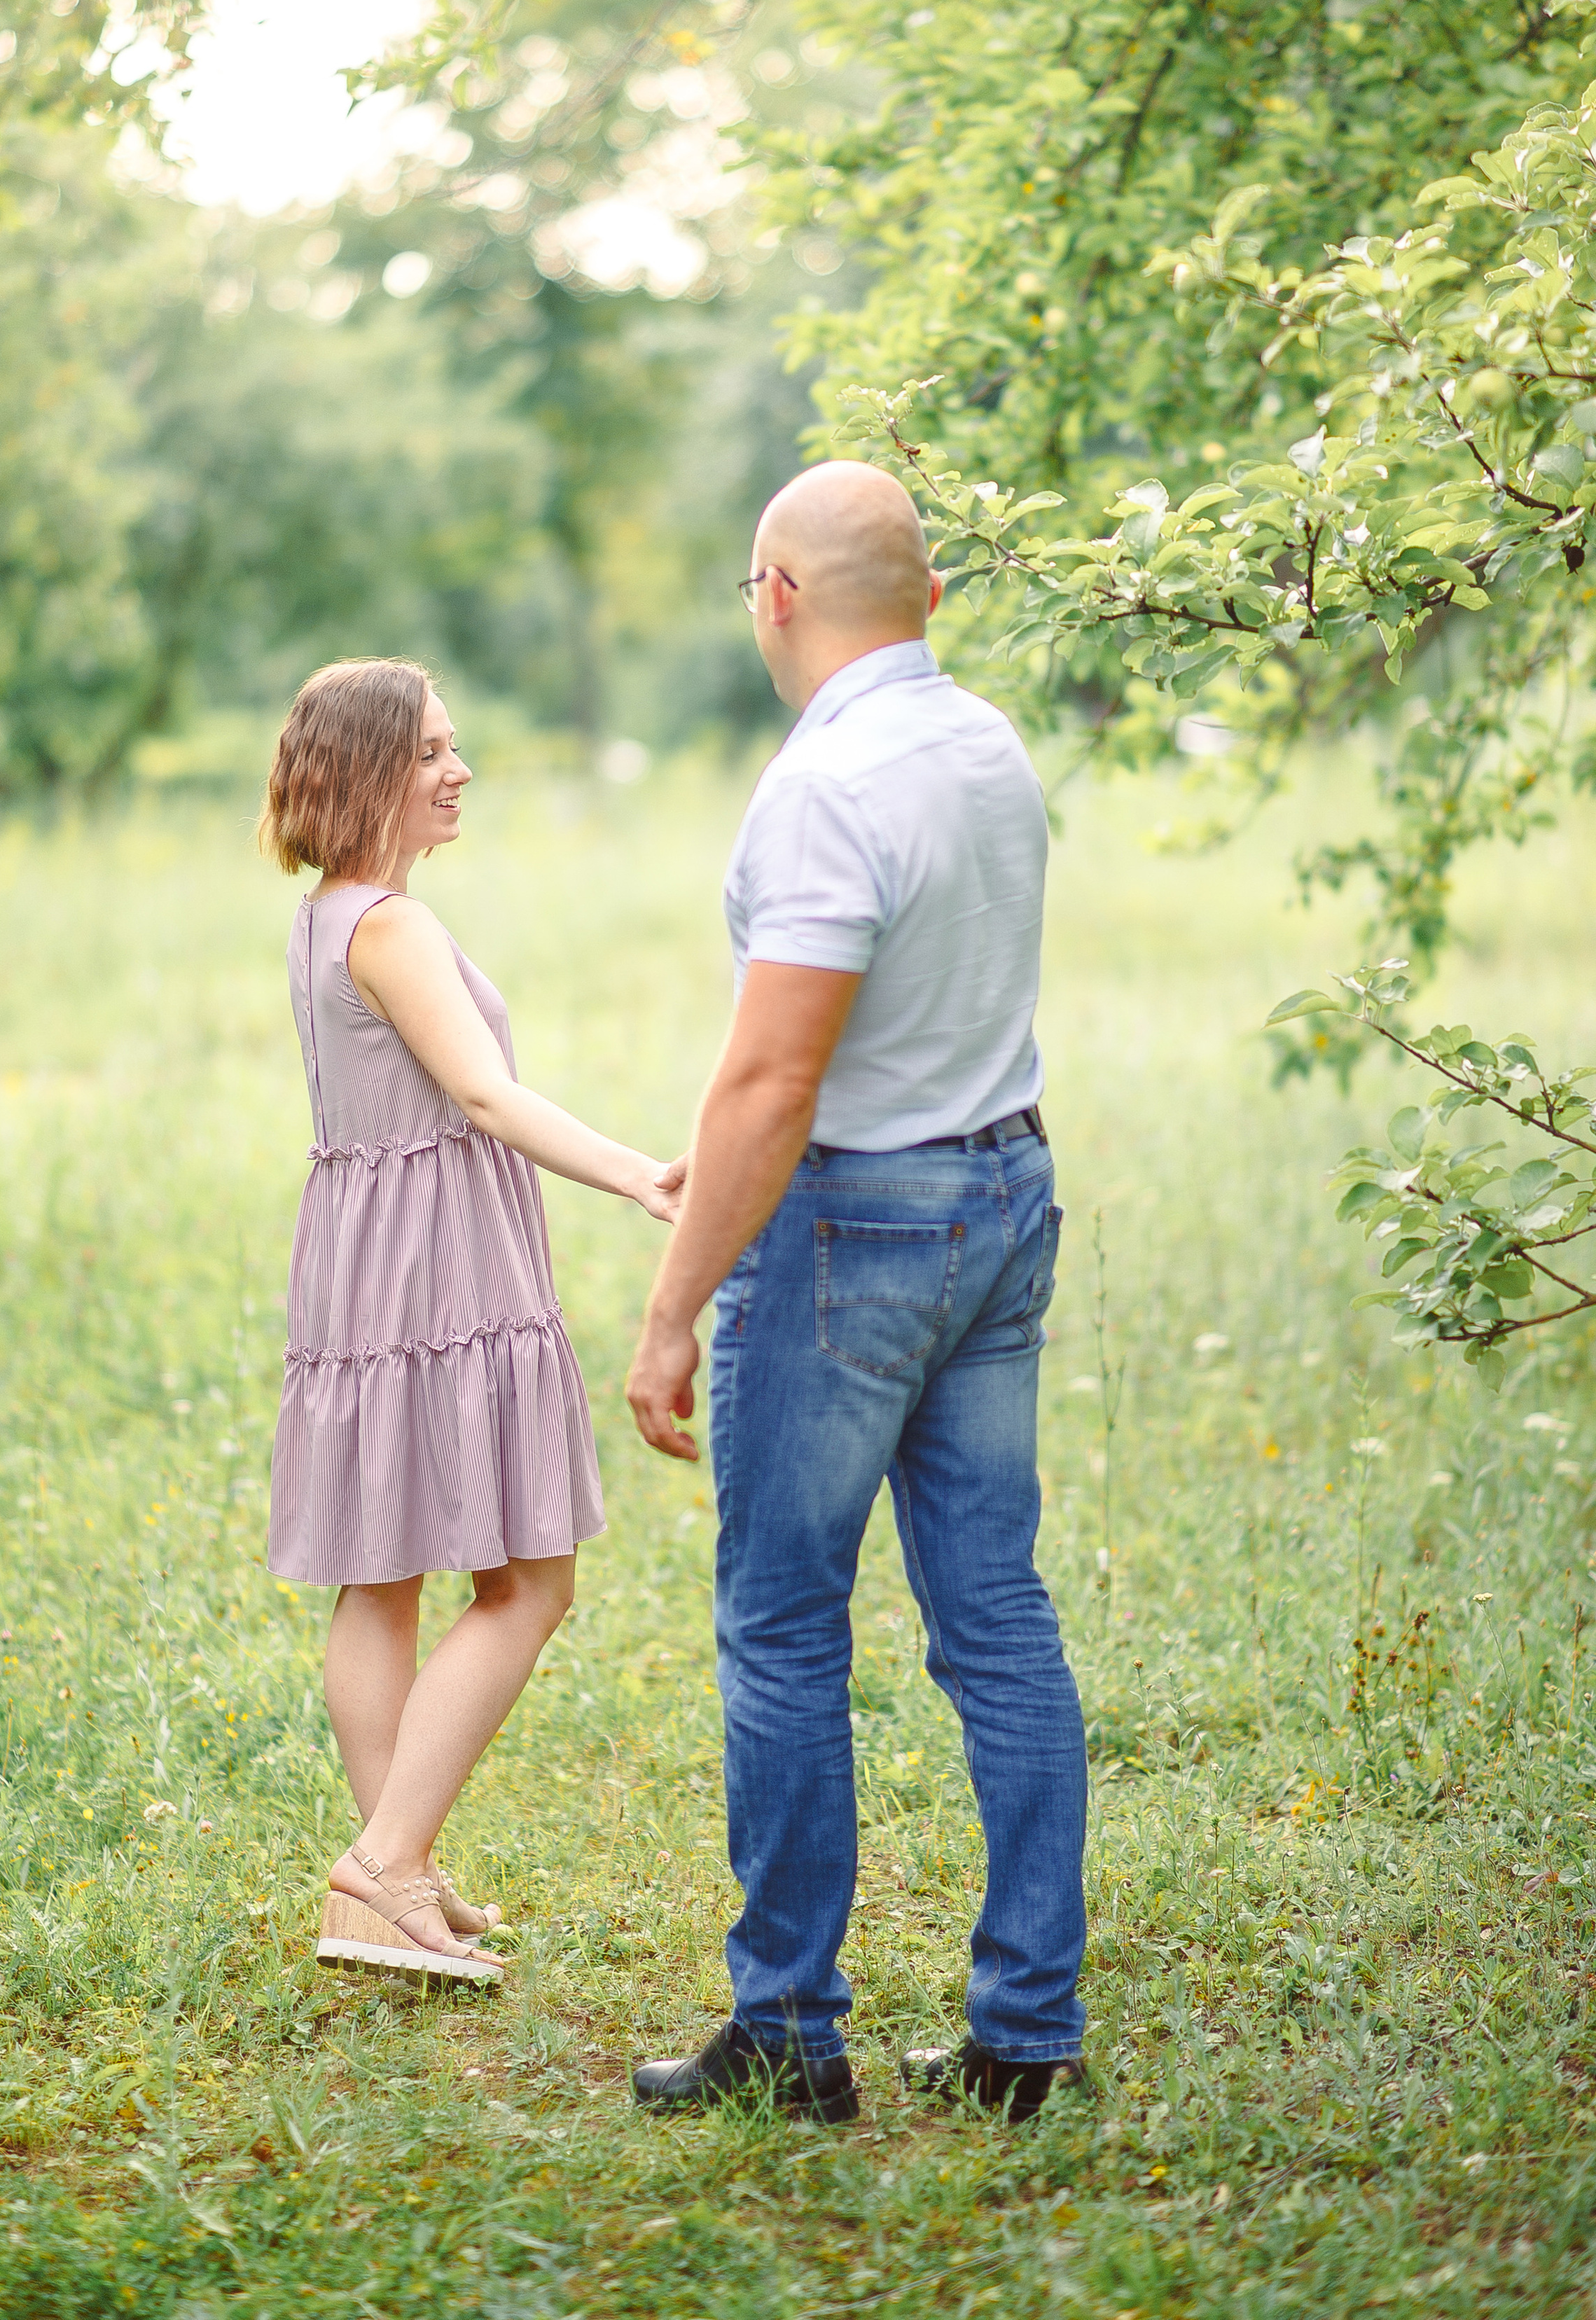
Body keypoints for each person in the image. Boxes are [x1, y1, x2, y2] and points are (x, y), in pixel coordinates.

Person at [625, 461, 1088, 2123]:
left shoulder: (823, 787)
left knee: (779, 1624)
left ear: (773, 593)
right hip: (1003, 1189)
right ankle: (1026, 2035)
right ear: (933, 600)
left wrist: (673, 1308)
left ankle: (789, 2038)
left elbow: (770, 1082)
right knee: (996, 1621)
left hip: (853, 1230)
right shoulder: (985, 744)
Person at [259, 658, 679, 1983]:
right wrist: (644, 1176)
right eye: (435, 749)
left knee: (381, 1578)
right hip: (438, 1272)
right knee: (530, 1580)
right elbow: (487, 1098)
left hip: (366, 1263)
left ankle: (398, 1875)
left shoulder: (329, 916)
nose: (460, 768)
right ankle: (386, 1865)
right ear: (374, 768)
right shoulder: (393, 926)